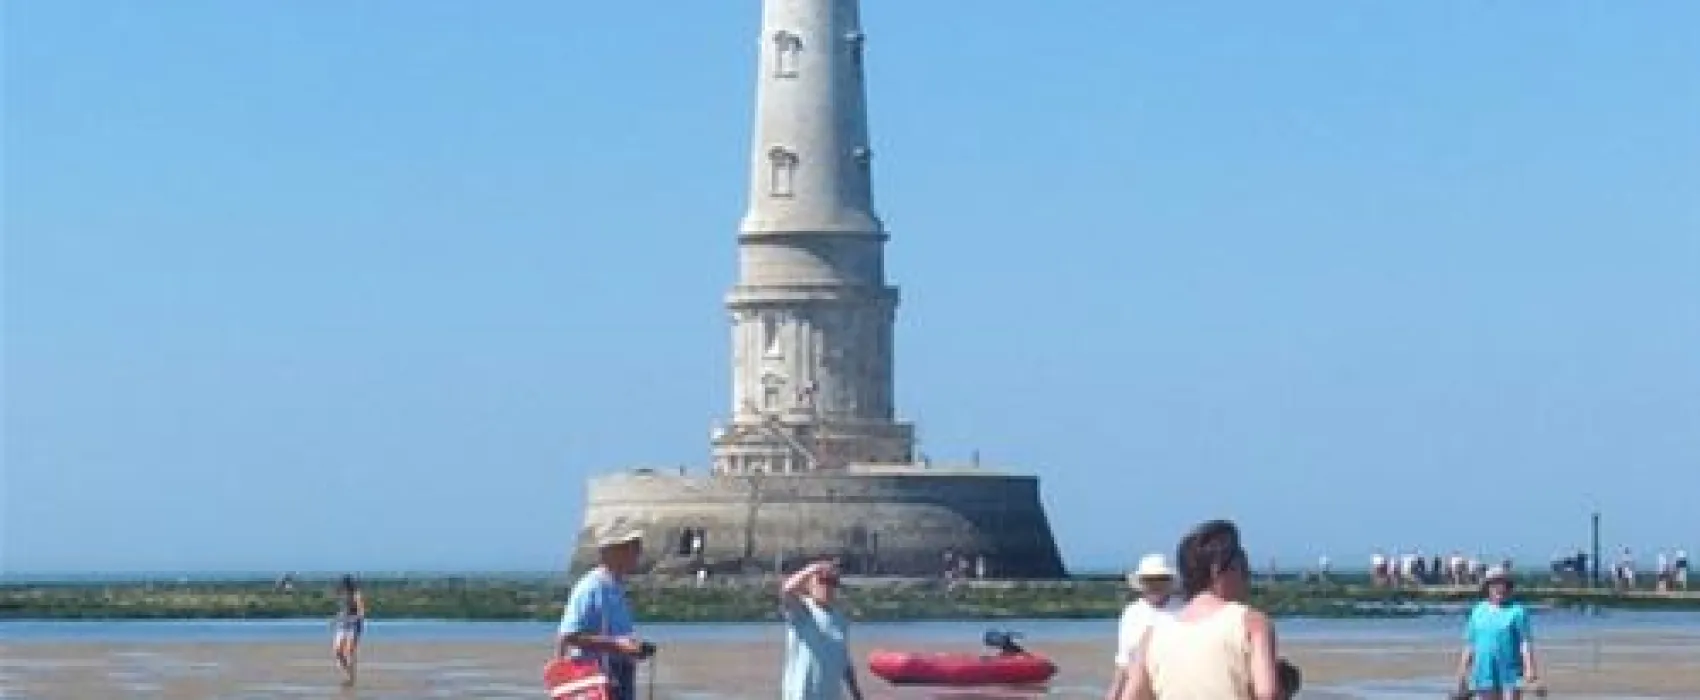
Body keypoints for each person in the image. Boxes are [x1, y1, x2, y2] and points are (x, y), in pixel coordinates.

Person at [1118, 519, 1284, 700]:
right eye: (1241, 566)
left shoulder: (1152, 635)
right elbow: (1268, 694)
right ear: (1217, 570)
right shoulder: (1252, 623)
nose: (1247, 575)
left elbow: (1131, 696)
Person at [557, 520, 654, 700]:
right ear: (612, 551)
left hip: (617, 681)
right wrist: (617, 645)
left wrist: (634, 648)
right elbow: (567, 636)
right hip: (593, 685)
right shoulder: (591, 587)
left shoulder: (616, 586)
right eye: (632, 546)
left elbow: (617, 636)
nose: (638, 552)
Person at [780, 559, 864, 700]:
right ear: (808, 584)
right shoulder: (802, 611)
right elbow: (787, 590)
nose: (827, 587)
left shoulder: (840, 618)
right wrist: (813, 568)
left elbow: (843, 659)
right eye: (822, 580)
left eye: (832, 582)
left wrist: (856, 694)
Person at [1455, 566, 1540, 699]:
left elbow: (1525, 643)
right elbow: (1470, 644)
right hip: (1484, 670)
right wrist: (1462, 670)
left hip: (1510, 670)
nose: (1500, 588)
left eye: (1503, 584)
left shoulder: (1517, 611)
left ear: (1509, 587)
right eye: (1495, 584)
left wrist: (1530, 668)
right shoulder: (1478, 610)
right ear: (1488, 587)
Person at [1104, 554, 1180, 700]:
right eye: (1149, 580)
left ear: (1170, 581)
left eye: (1161, 579)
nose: (1155, 584)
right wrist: (1113, 694)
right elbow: (1123, 661)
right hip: (1139, 688)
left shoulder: (1183, 609)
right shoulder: (1132, 613)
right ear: (1142, 583)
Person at [331, 574, 365, 687]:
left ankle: (350, 678)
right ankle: (348, 674)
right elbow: (342, 610)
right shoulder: (341, 595)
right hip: (342, 624)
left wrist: (355, 620)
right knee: (338, 652)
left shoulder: (356, 595)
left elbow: (361, 612)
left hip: (353, 625)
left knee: (349, 652)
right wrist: (336, 618)